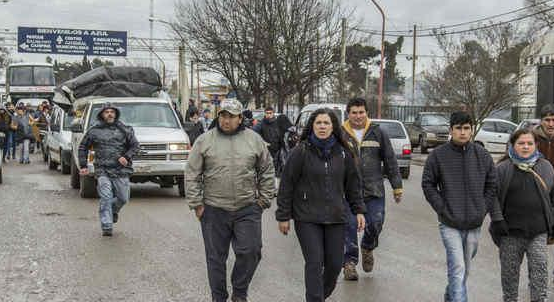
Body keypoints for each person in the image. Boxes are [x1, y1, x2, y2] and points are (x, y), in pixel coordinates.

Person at [185, 99, 275, 302]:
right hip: (213, 209)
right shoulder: (205, 140)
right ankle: (219, 297)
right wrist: (197, 204)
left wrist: (264, 199)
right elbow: (192, 172)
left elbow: (267, 169)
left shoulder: (254, 139)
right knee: (216, 259)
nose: (226, 120)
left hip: (247, 207)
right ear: (219, 117)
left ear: (240, 118)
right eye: (223, 116)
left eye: (231, 116)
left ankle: (239, 292)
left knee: (251, 251)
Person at [276, 108, 366, 302]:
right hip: (307, 217)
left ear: (333, 127)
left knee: (334, 265)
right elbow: (286, 185)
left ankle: (318, 296)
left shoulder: (343, 153)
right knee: (314, 262)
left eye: (326, 123)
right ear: (312, 126)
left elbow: (353, 185)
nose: (322, 127)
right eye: (318, 123)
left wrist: (358, 210)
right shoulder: (300, 151)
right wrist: (283, 216)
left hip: (335, 217)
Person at [422, 111, 502, 302]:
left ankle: (451, 296)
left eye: (467, 128)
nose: (463, 132)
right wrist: (442, 208)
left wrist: (482, 208)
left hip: (474, 223)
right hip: (449, 223)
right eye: (459, 128)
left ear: (472, 130)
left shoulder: (482, 155)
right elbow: (428, 184)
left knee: (463, 269)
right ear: (451, 130)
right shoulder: (438, 156)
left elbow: (492, 184)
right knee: (457, 267)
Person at [341, 98, 403, 280]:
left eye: (361, 112)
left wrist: (397, 186)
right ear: (348, 113)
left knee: (376, 223)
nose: (358, 116)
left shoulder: (378, 132)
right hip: (348, 192)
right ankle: (349, 263)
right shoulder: (340, 134)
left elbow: (390, 160)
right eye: (354, 112)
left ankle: (368, 246)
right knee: (349, 226)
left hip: (374, 189)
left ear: (367, 113)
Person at [490, 129, 554, 302]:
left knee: (540, 271)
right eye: (521, 143)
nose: (525, 147)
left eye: (529, 143)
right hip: (510, 232)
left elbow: (552, 197)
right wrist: (497, 220)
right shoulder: (502, 168)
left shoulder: (546, 167)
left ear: (536, 145)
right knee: (510, 276)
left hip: (538, 231)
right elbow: (492, 195)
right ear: (513, 145)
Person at [78, 103, 139, 237]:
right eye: (107, 112)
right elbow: (83, 147)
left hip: (121, 170)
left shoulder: (125, 129)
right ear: (102, 115)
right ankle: (107, 225)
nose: (110, 114)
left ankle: (112, 211)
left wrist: (126, 157)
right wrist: (83, 166)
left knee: (123, 198)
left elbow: (135, 146)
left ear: (116, 114)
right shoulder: (94, 130)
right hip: (102, 169)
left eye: (112, 112)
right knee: (105, 197)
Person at [254, 106, 282, 172]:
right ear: (265, 114)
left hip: (277, 151)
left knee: (276, 170)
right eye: (267, 113)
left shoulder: (277, 123)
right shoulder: (261, 124)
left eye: (270, 113)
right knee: (267, 170)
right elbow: (254, 132)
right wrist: (262, 142)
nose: (269, 115)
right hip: (266, 151)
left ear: (273, 113)